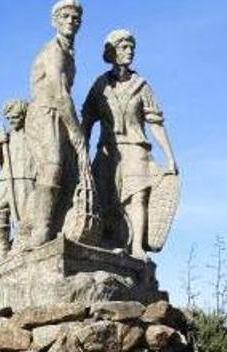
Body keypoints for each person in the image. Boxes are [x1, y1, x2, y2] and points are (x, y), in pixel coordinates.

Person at [81, 28, 178, 259]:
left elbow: (155, 123)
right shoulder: (100, 85)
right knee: (105, 197)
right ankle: (112, 242)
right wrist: (80, 150)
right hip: (107, 150)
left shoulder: (142, 86)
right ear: (112, 52)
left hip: (135, 147)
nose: (130, 51)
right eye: (124, 47)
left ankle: (136, 247)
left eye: (132, 47)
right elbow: (87, 120)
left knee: (138, 197)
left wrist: (170, 157)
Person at [24, 0, 93, 246]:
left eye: (75, 18)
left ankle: (61, 226)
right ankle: (40, 231)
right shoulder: (53, 51)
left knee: (69, 172)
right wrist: (77, 133)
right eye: (65, 16)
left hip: (60, 114)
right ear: (55, 21)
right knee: (52, 166)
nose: (71, 21)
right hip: (46, 113)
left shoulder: (69, 54)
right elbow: (60, 94)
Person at [0, 99, 37, 260]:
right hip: (5, 181)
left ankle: (21, 252)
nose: (11, 121)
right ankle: (2, 252)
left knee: (23, 221)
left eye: (14, 117)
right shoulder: (5, 138)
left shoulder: (34, 135)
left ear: (24, 115)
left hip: (25, 181)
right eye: (8, 119)